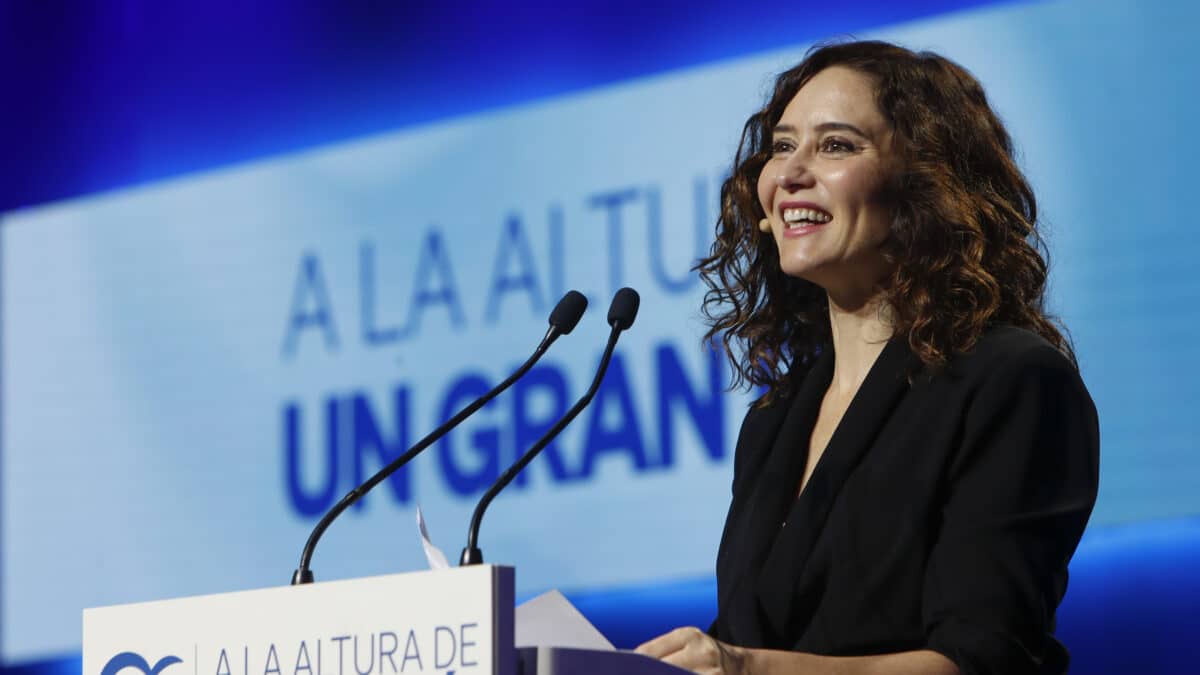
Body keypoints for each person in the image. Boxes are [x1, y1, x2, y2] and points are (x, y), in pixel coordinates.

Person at [634, 41, 1099, 675]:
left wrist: (744, 668)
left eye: (836, 146)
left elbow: (982, 660)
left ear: (927, 184)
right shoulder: (775, 417)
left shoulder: (1011, 381)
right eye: (781, 146)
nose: (791, 173)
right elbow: (766, 630)